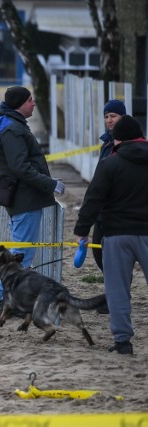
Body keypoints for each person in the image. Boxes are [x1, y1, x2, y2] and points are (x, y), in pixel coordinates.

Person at [0, 86, 65, 316]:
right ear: (19, 103)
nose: (34, 103)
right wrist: (50, 184)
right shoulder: (13, 130)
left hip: (22, 197)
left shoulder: (13, 126)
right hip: (24, 198)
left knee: (21, 252)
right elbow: (20, 167)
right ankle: (2, 301)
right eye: (30, 100)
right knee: (22, 254)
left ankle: (0, 300)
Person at [74, 115, 148, 355]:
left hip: (116, 235)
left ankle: (123, 342)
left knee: (117, 291)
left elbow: (93, 199)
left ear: (117, 140)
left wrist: (82, 231)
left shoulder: (110, 164)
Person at [92, 99, 126, 271]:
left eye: (113, 116)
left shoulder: (129, 143)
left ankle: (119, 289)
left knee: (119, 258)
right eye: (106, 116)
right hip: (101, 209)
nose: (109, 120)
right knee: (98, 252)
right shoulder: (106, 143)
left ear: (123, 117)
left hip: (120, 210)